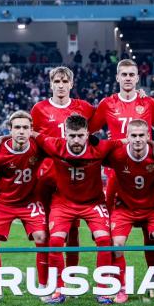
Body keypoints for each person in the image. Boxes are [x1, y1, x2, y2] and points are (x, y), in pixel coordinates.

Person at [89, 59, 154, 275]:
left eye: (132, 74)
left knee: (151, 231)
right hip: (116, 172)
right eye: (124, 74)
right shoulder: (107, 104)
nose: (128, 78)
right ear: (117, 78)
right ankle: (111, 279)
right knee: (110, 231)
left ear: (137, 77)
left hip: (146, 171)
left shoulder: (148, 102)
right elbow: (89, 132)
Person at [33, 115, 121, 304]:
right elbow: (29, 134)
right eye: (72, 136)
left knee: (105, 240)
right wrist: (1, 139)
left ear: (88, 134)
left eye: (80, 136)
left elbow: (126, 141)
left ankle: (103, 289)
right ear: (65, 134)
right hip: (63, 203)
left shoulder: (100, 147)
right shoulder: (54, 145)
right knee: (55, 241)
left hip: (93, 203)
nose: (76, 140)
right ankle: (58, 289)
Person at [29, 66, 95, 271]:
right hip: (47, 177)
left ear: (71, 84)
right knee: (45, 230)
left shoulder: (84, 107)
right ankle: (45, 279)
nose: (60, 85)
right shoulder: (39, 109)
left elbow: (101, 128)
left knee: (74, 230)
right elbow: (28, 137)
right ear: (50, 84)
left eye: (65, 82)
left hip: (75, 176)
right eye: (57, 82)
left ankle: (71, 276)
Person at [0, 111, 47, 304]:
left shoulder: (38, 147)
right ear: (10, 130)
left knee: (42, 237)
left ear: (31, 130)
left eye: (26, 127)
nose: (21, 131)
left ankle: (43, 287)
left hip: (30, 201)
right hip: (3, 202)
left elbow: (57, 146)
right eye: (17, 127)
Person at [103, 119, 154, 304]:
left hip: (151, 207)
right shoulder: (117, 155)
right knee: (116, 245)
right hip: (124, 207)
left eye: (141, 135)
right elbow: (95, 153)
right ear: (127, 137)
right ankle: (121, 288)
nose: (137, 139)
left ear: (148, 137)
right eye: (133, 135)